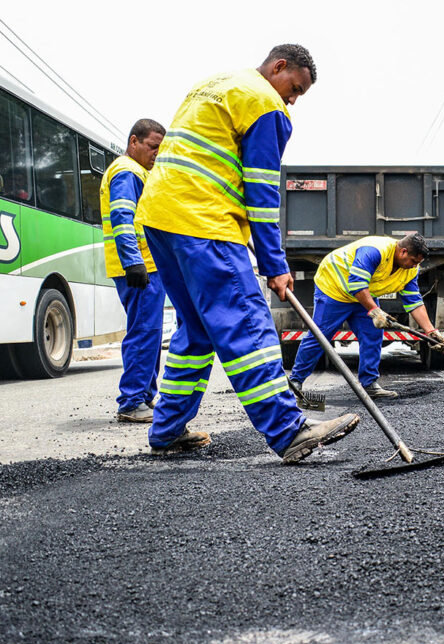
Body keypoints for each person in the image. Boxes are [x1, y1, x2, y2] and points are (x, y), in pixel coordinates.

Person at [133, 45, 359, 462]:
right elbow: (260, 191)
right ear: (279, 67)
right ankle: (289, 430)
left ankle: (165, 430)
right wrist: (275, 264)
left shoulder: (214, 85)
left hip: (158, 218)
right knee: (247, 326)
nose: (292, 100)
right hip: (204, 221)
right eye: (295, 88)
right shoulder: (266, 105)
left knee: (197, 331)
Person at [289, 234, 444, 399]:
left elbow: (414, 302)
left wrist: (431, 332)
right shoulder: (374, 251)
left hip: (363, 295)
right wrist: (375, 311)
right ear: (403, 252)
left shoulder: (410, 271)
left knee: (373, 333)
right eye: (414, 261)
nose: (415, 266)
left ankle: (369, 383)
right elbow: (357, 284)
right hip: (334, 288)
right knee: (320, 335)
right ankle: (295, 382)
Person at [101, 118, 167, 422]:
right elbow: (122, 217)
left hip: (146, 264)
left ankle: (143, 397)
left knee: (150, 333)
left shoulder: (138, 172)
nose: (156, 153)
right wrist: (133, 262)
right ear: (134, 142)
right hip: (140, 266)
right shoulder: (127, 172)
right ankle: (131, 402)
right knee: (143, 332)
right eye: (153, 146)